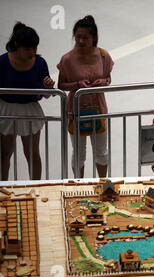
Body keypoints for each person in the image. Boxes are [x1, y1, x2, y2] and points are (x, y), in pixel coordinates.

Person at [0, 22, 55, 181]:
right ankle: (2, 187)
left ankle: (37, 187)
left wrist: (48, 87)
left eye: (34, 48)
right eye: (28, 48)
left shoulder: (40, 63)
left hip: (30, 110)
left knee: (31, 153)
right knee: (5, 153)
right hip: (6, 110)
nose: (32, 52)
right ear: (17, 45)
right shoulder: (2, 62)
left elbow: (47, 94)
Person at [57, 15, 114, 178]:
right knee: (79, 152)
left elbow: (108, 78)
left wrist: (103, 81)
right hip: (75, 112)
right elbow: (61, 85)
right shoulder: (67, 59)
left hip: (98, 110)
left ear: (94, 38)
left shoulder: (103, 56)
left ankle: (103, 183)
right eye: (78, 37)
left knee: (101, 151)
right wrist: (76, 85)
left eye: (85, 37)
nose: (81, 41)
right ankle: (78, 183)